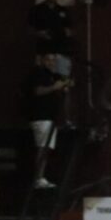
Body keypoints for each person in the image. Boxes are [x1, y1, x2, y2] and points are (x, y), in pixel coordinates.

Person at [26, 52, 70, 189]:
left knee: (46, 148)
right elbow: (38, 91)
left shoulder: (51, 76)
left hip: (49, 118)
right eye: (48, 60)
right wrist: (54, 87)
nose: (51, 63)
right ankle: (38, 178)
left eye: (53, 60)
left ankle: (41, 177)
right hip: (41, 117)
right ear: (41, 60)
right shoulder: (38, 73)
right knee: (43, 148)